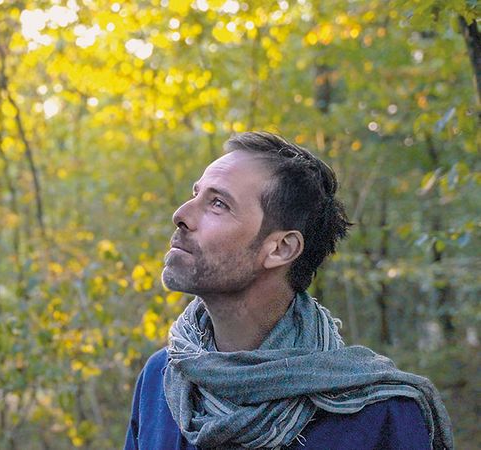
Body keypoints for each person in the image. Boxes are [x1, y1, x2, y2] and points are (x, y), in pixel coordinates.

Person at [124, 132, 453, 449]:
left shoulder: (381, 416)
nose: (181, 215)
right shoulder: (162, 380)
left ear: (280, 249)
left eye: (218, 204)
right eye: (196, 194)